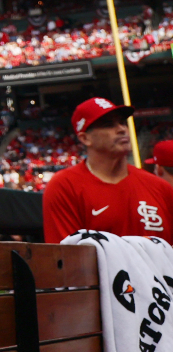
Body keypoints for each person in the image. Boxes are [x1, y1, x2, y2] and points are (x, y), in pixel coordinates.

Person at [43, 98, 173, 243]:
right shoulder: (64, 186)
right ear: (85, 138)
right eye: (108, 124)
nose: (122, 129)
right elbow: (64, 258)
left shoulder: (160, 188)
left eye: (122, 122)